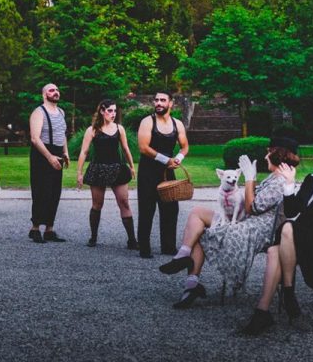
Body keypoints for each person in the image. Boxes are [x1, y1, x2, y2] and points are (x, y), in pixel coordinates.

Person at [159, 138, 299, 309]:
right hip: (246, 219)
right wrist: (250, 181)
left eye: (269, 152)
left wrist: (249, 179)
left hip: (254, 229)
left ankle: (191, 283)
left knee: (201, 234)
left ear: (278, 155)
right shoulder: (275, 177)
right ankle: (183, 256)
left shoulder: (280, 181)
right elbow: (253, 201)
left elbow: (251, 208)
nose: (265, 156)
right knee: (197, 212)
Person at [241, 139, 313, 335]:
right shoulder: (312, 180)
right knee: (276, 247)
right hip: (295, 240)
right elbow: (292, 210)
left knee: (286, 229)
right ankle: (263, 311)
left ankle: (287, 292)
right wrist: (289, 185)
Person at [76, 99, 137, 249]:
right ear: (102, 111)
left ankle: (132, 241)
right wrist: (79, 173)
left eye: (115, 111)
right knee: (97, 204)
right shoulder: (92, 130)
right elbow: (84, 152)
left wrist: (132, 166)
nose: (113, 114)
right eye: (110, 110)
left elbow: (125, 149)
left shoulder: (119, 128)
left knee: (124, 203)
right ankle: (93, 237)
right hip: (98, 169)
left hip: (117, 168)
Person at [136, 92, 189, 258]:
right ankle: (144, 248)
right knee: (147, 209)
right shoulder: (147, 121)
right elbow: (143, 148)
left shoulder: (177, 124)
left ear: (171, 103)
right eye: (156, 100)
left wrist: (178, 159)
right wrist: (166, 160)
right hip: (148, 171)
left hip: (167, 172)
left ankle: (168, 247)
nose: (158, 103)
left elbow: (185, 146)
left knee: (171, 209)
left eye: (163, 100)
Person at [28, 84, 70, 243]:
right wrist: (49, 157)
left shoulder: (61, 112)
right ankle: (35, 229)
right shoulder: (39, 112)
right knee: (41, 191)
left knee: (54, 192)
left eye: (57, 90)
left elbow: (62, 134)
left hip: (57, 152)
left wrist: (65, 152)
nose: (56, 92)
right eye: (51, 90)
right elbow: (35, 139)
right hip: (42, 154)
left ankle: (49, 229)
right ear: (44, 95)